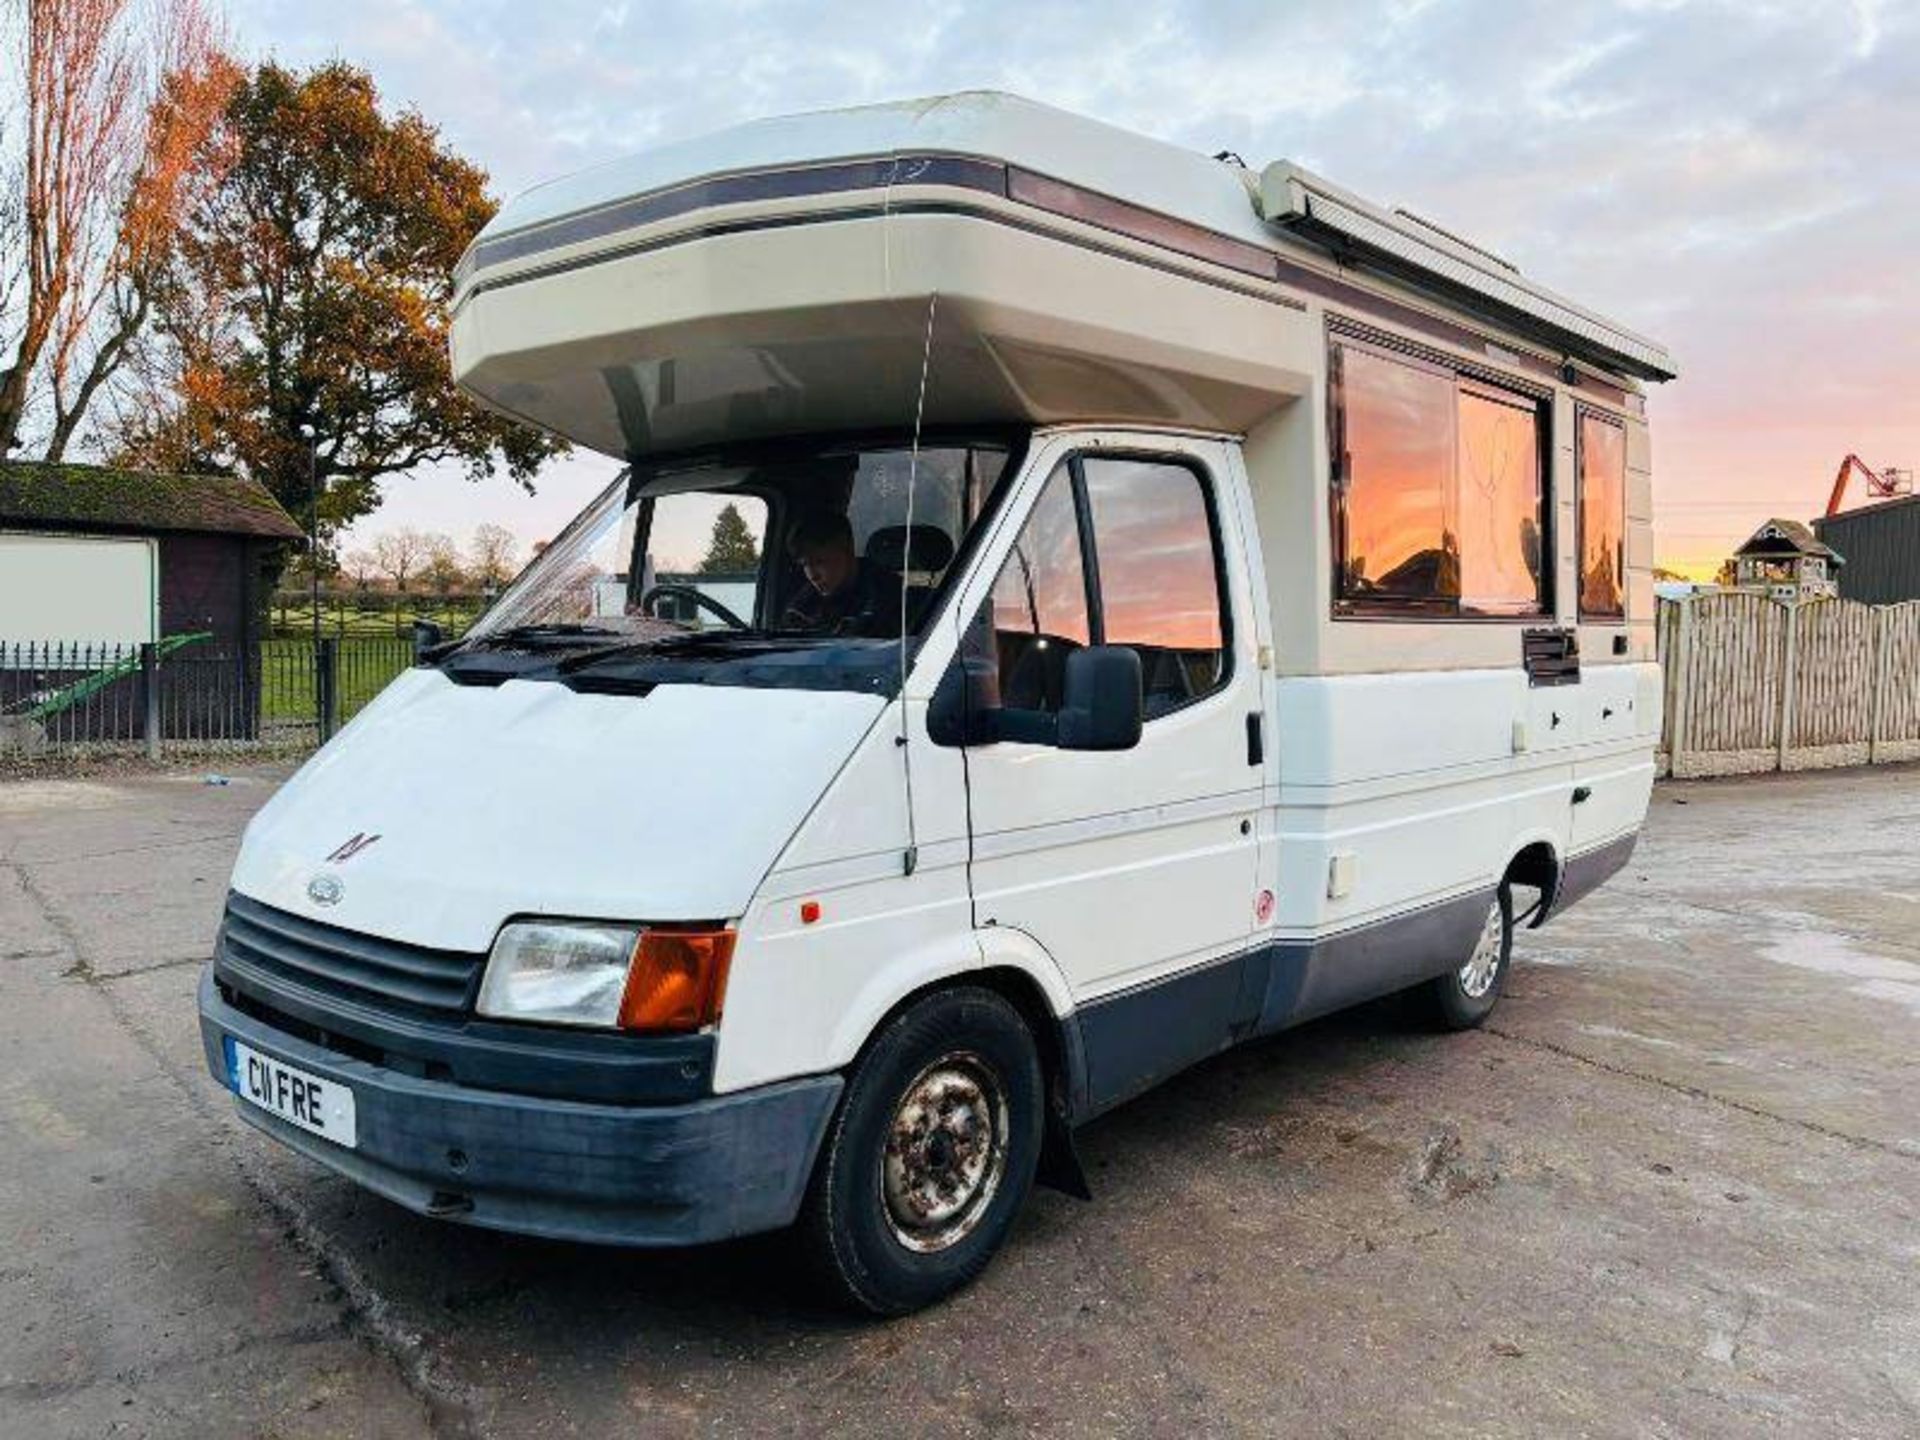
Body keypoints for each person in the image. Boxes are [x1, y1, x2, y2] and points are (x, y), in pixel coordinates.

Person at [781, 511, 903, 637]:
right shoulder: (803, 607)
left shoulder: (888, 600)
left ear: (847, 549)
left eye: (819, 562)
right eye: (804, 565)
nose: (812, 576)